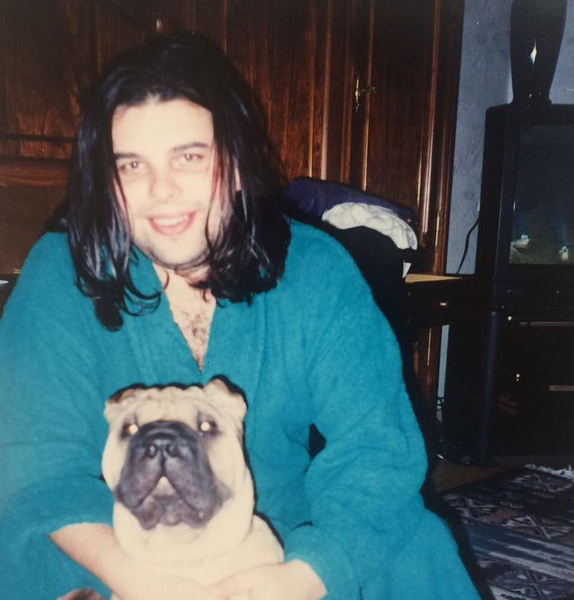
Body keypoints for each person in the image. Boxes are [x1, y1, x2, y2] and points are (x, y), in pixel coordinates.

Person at [0, 32, 480, 600]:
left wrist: (302, 578)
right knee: (22, 543)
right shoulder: (62, 271)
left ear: (234, 156)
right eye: (131, 165)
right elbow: (35, 462)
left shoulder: (316, 269)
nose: (161, 191)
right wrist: (143, 585)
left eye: (189, 157)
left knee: (415, 546)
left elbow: (376, 448)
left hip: (279, 537)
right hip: (114, 540)